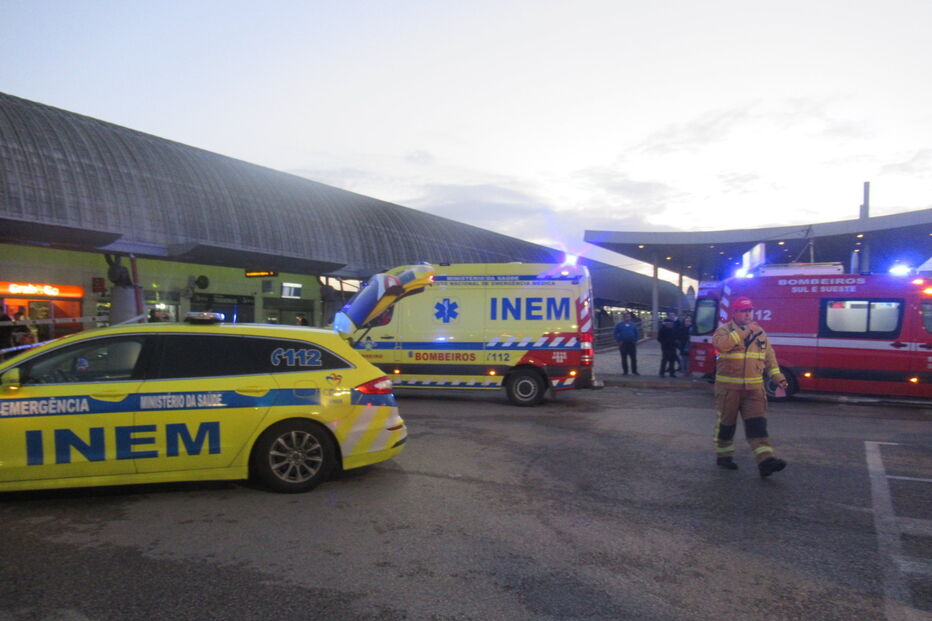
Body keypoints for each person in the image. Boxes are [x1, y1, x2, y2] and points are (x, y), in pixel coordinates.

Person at [711, 296, 789, 477]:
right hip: (728, 391)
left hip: (754, 390)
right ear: (735, 313)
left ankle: (766, 461)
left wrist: (778, 377)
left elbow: (770, 357)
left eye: (750, 310)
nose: (748, 314)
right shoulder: (723, 331)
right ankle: (724, 456)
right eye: (744, 311)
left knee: (758, 425)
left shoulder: (760, 333)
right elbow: (722, 346)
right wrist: (744, 332)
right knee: (726, 425)